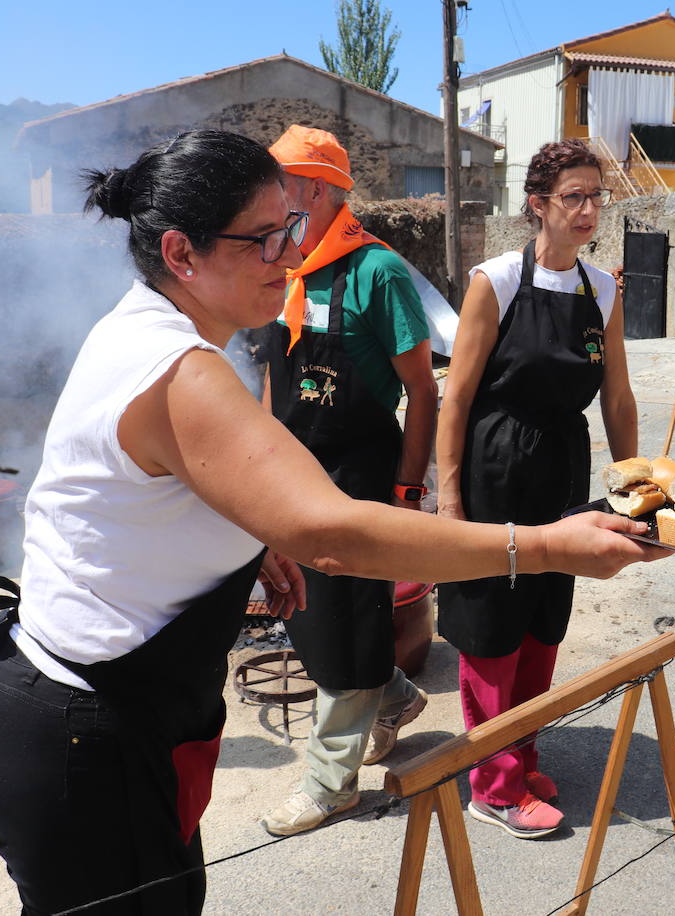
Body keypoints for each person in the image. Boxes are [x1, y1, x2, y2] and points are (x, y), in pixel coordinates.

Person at [0, 129, 663, 916]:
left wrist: (249, 545)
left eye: (292, 224)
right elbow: (334, 536)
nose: (290, 252)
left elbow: (172, 486)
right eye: (267, 237)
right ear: (182, 254)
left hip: (89, 714)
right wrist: (548, 545)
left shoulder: (155, 331)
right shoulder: (174, 367)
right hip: (76, 730)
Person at [435, 138, 637, 840]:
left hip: (563, 467)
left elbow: (617, 397)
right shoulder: (496, 281)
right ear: (538, 204)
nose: (588, 210)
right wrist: (452, 504)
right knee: (492, 626)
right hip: (495, 466)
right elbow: (455, 400)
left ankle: (519, 753)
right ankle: (492, 785)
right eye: (574, 197)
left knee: (544, 620)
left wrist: (633, 486)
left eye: (596, 196)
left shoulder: (602, 288)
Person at [255, 125, 436, 837]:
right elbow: (274, 375)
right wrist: (259, 464)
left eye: (284, 185)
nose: (272, 198)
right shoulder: (284, 269)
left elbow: (422, 390)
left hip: (361, 476)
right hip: (297, 472)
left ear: (323, 190)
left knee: (351, 619)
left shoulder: (376, 273)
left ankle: (332, 784)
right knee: (309, 613)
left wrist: (408, 490)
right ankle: (392, 697)